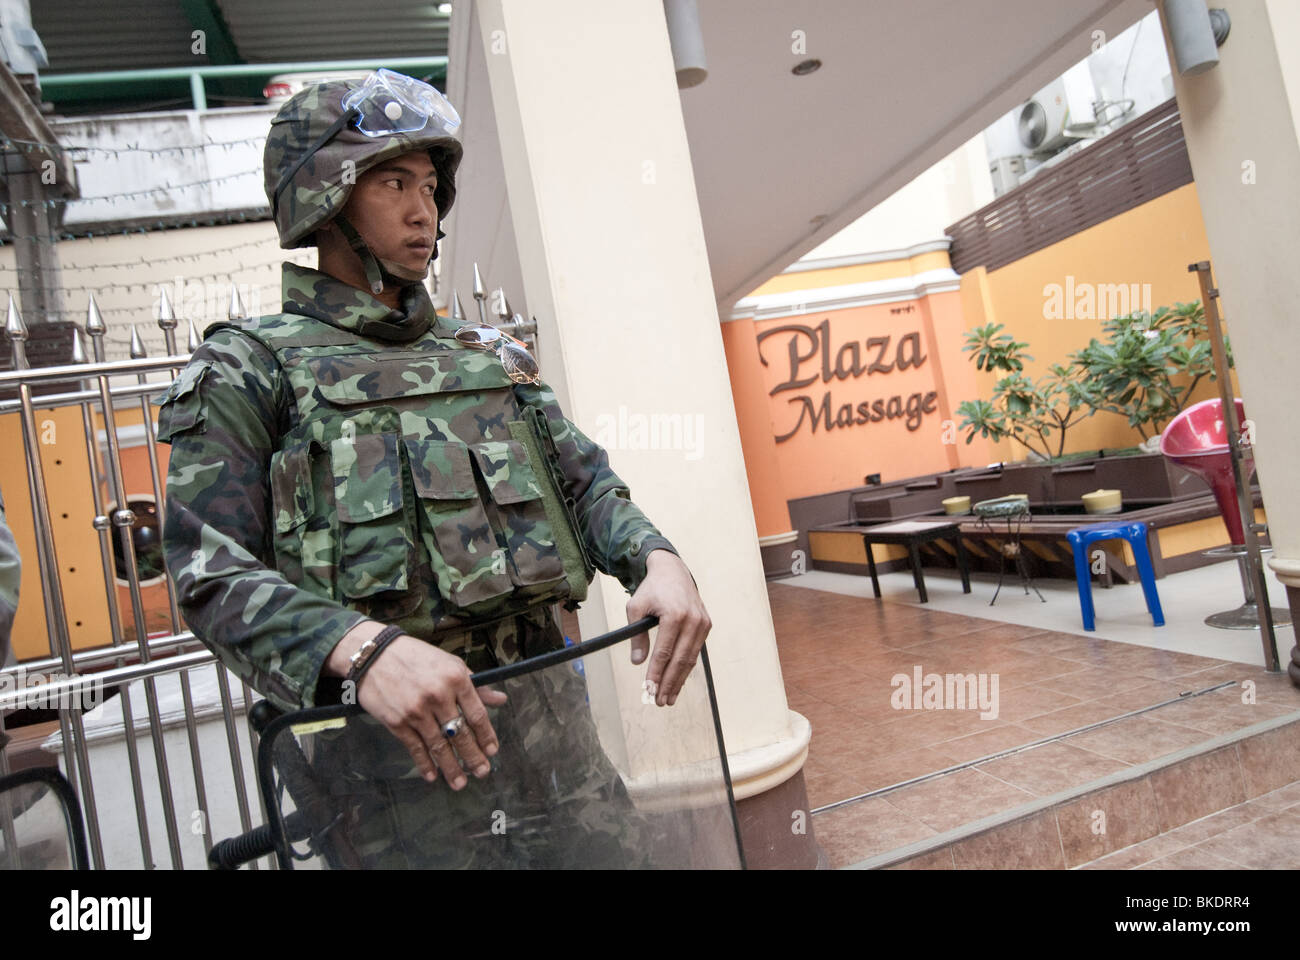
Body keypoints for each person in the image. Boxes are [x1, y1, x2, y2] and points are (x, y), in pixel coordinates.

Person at [158, 70, 712, 865]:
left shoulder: (490, 358)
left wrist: (655, 558)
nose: (424, 211)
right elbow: (206, 568)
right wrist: (360, 648)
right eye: (393, 183)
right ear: (325, 198)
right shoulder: (251, 369)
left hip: (562, 760)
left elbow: (585, 484)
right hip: (398, 788)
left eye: (429, 185)